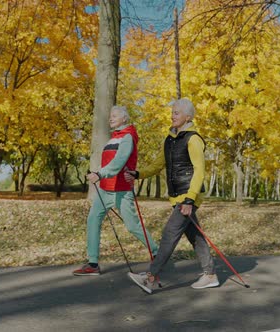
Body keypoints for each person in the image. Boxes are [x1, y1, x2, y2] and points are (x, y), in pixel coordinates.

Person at [125, 98, 218, 293]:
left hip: (188, 196)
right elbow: (158, 164)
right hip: (178, 197)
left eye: (177, 112)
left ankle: (151, 277)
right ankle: (209, 275)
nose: (172, 115)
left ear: (188, 117)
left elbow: (199, 171)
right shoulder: (169, 139)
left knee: (169, 234)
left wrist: (190, 199)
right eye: (172, 112)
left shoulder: (193, 139)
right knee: (195, 237)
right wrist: (139, 174)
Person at [73, 105, 158, 276]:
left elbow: (119, 161)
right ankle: (93, 263)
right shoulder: (114, 138)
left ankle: (157, 254)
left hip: (121, 190)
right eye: (110, 115)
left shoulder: (127, 137)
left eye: (115, 115)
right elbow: (108, 161)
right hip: (105, 189)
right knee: (93, 220)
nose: (110, 118)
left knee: (133, 226)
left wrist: (100, 173)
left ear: (125, 118)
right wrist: (99, 173)